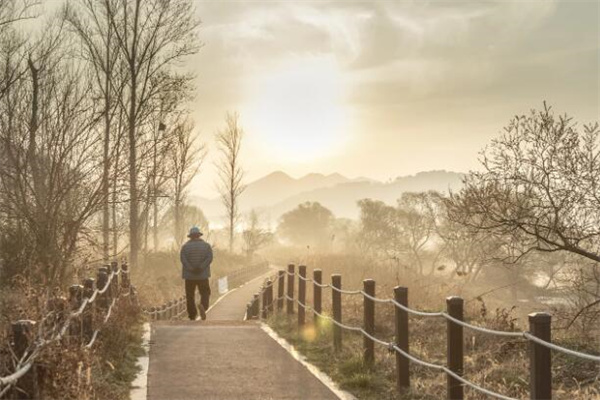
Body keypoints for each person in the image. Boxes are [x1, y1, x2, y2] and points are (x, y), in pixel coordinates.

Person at [180, 226, 213, 320]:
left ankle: (192, 315)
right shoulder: (207, 246)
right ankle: (203, 306)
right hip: (203, 275)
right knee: (205, 292)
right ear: (199, 235)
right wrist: (201, 268)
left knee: (190, 296)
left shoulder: (185, 247)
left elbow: (183, 260)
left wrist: (191, 269)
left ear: (190, 236)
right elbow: (209, 258)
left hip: (189, 276)